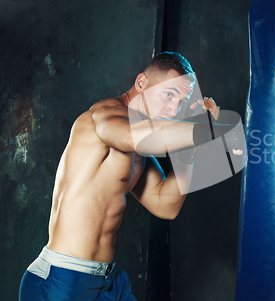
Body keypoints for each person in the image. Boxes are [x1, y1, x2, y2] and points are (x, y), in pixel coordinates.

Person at [18, 51, 241, 300]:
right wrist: (216, 129)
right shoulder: (103, 117)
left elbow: (166, 205)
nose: (173, 109)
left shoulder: (140, 152)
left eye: (181, 103)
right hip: (64, 279)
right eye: (169, 95)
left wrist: (193, 145)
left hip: (110, 282)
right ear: (141, 83)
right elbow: (136, 136)